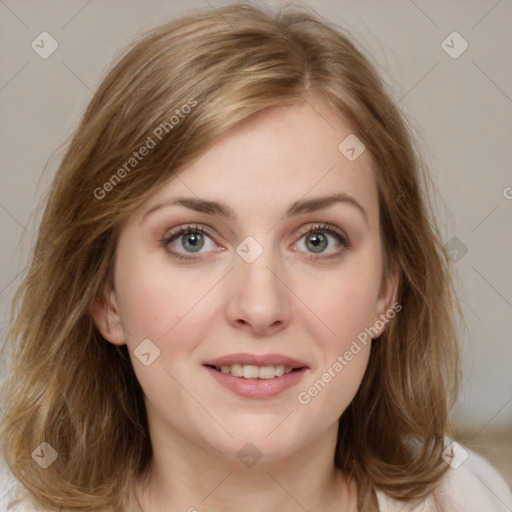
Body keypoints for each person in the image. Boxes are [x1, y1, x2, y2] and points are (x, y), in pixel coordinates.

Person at [0, 3, 510, 511]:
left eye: (318, 240)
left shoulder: (472, 498)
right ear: (104, 294)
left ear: (386, 289)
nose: (261, 307)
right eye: (192, 239)